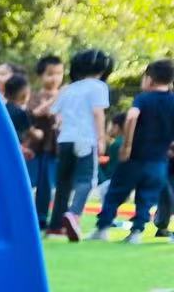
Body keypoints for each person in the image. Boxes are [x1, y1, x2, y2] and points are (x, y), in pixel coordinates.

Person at [90, 59, 174, 244]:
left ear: (150, 79)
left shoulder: (144, 98)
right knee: (146, 198)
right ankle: (136, 232)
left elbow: (131, 117)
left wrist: (127, 145)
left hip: (135, 157)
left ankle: (103, 228)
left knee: (116, 192)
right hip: (159, 161)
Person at [48, 48, 113, 241]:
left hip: (65, 139)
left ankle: (55, 225)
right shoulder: (98, 87)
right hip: (86, 138)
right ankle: (74, 213)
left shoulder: (69, 88)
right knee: (87, 180)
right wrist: (101, 139)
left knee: (63, 182)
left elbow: (55, 113)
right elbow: (98, 113)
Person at [28, 54, 64, 230]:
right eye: (50, 74)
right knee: (30, 181)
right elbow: (33, 113)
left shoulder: (66, 97)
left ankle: (42, 218)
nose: (55, 78)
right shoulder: (33, 96)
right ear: (41, 75)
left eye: (59, 73)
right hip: (34, 147)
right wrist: (54, 100)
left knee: (47, 185)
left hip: (55, 148)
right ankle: (28, 216)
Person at [4, 72, 33, 154]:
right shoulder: (21, 113)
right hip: (16, 149)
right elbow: (31, 133)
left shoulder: (3, 110)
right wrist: (40, 134)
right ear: (24, 95)